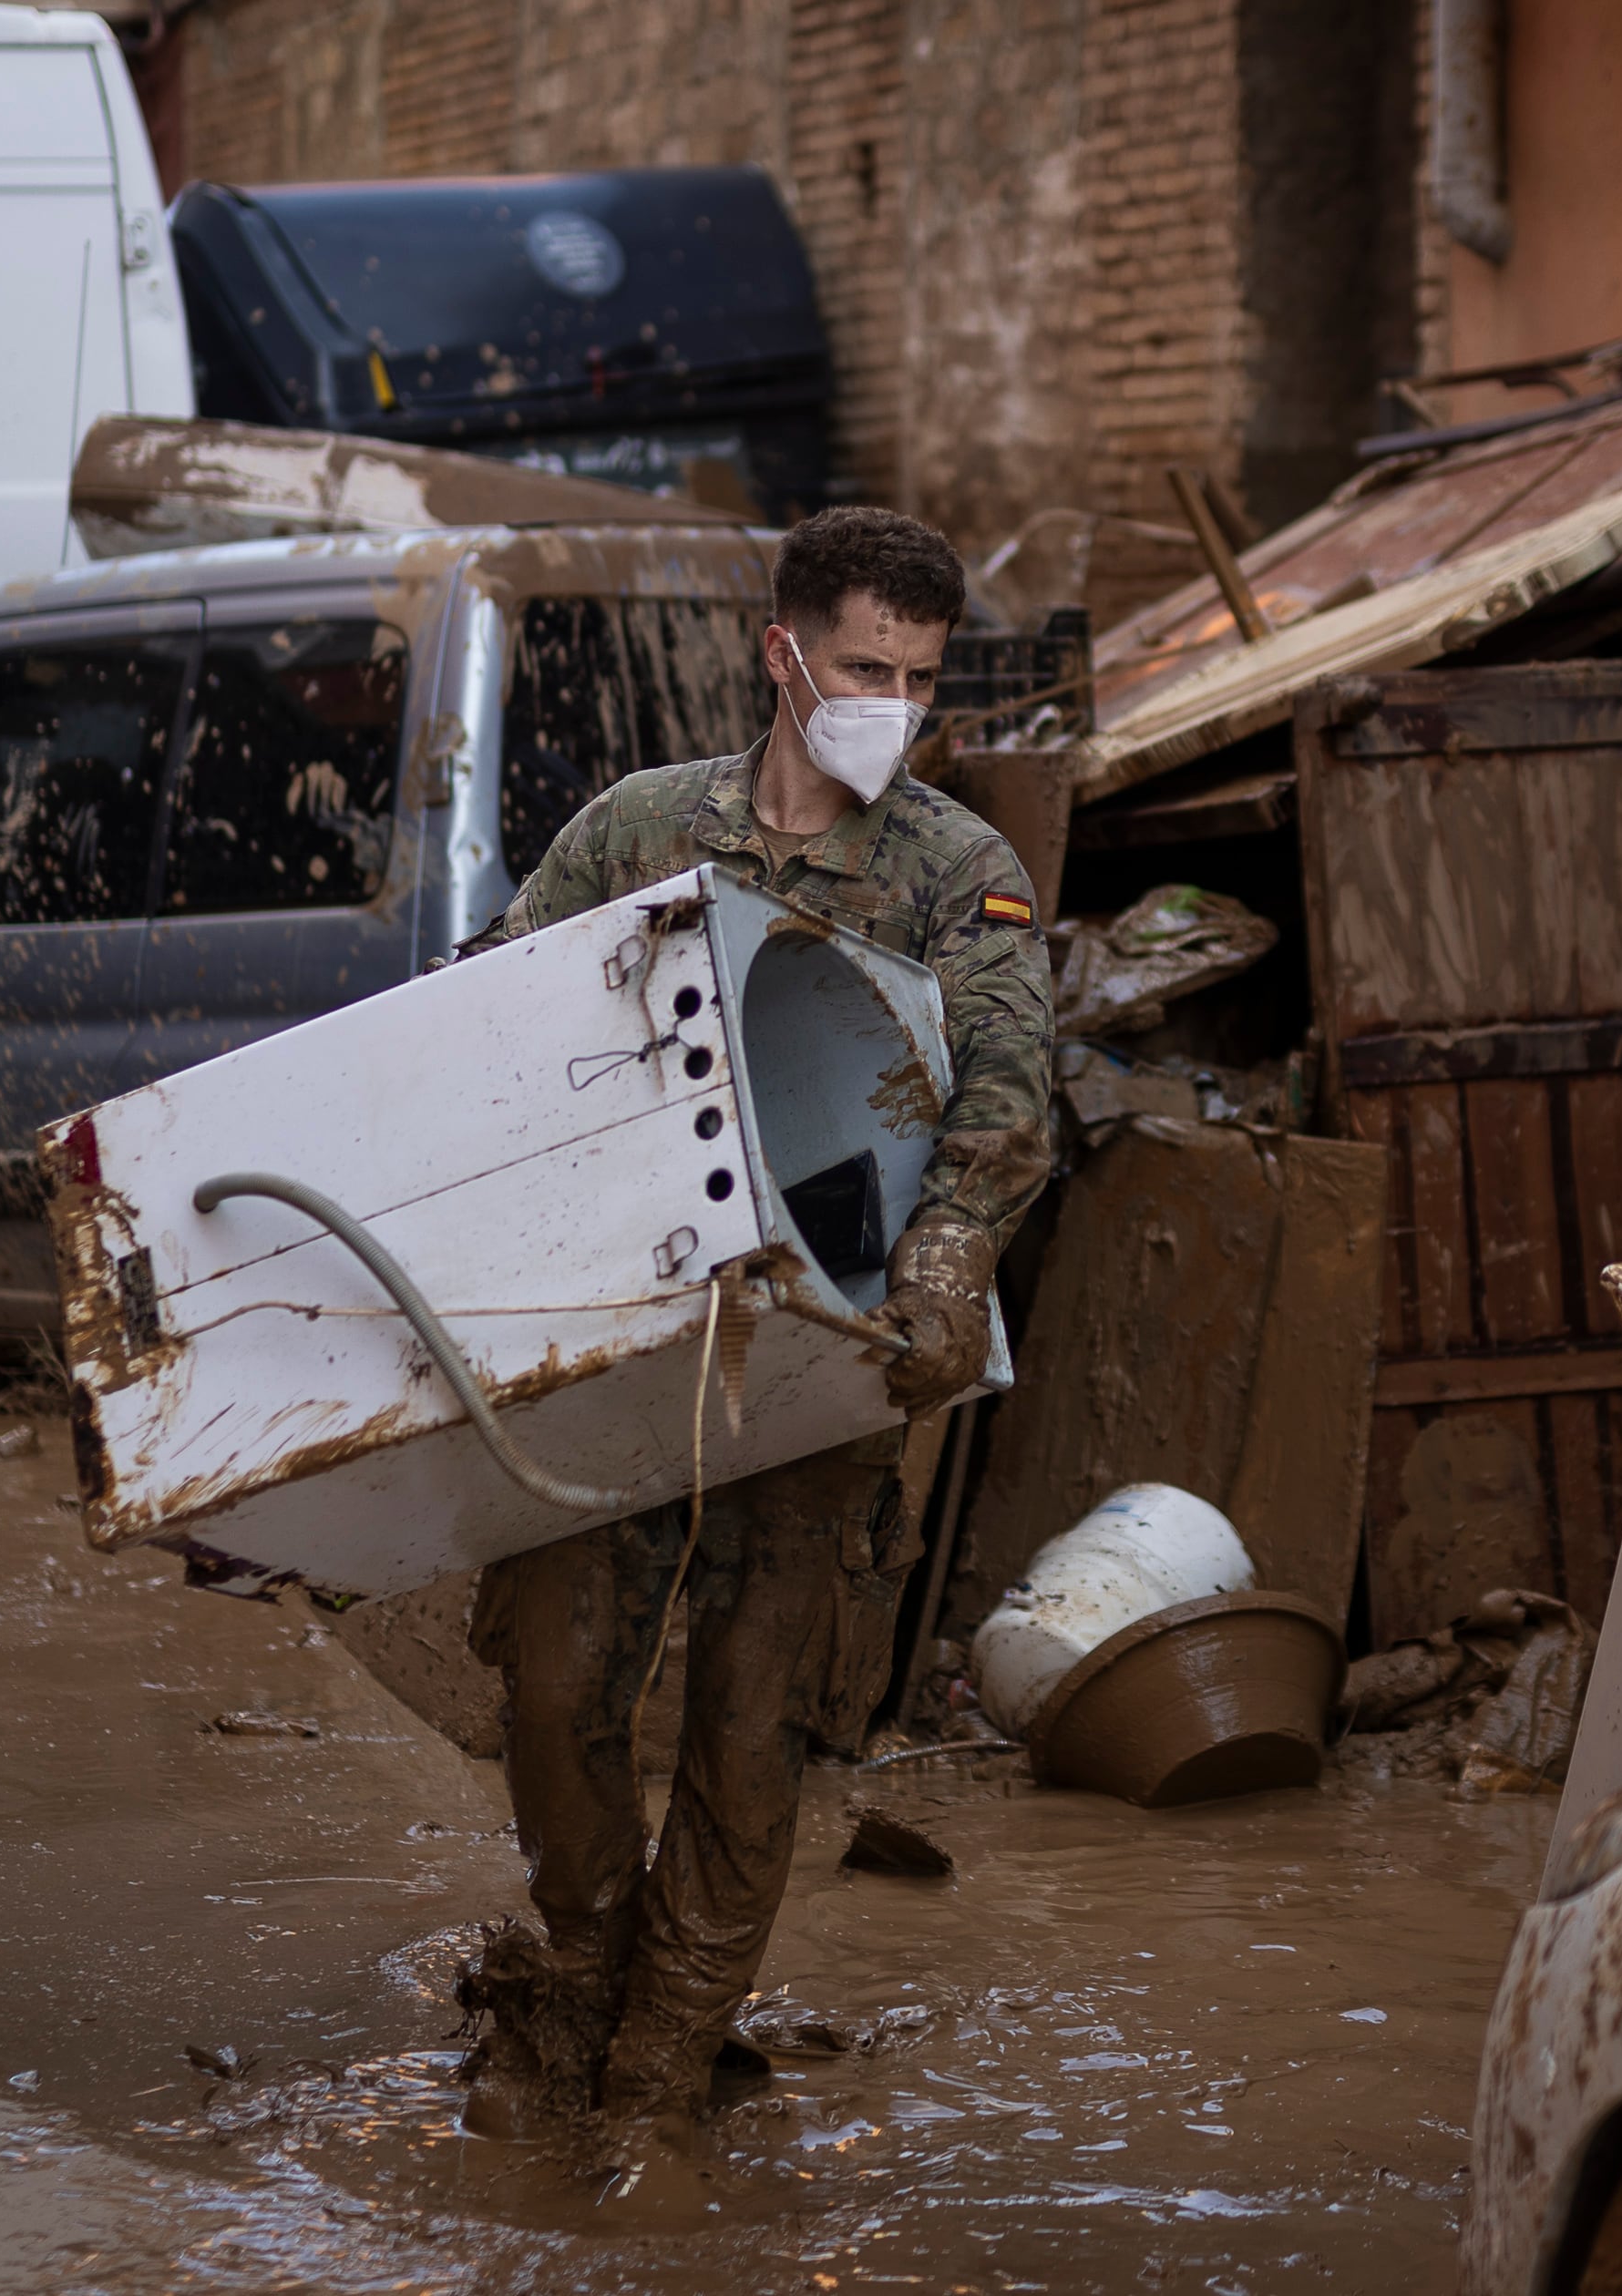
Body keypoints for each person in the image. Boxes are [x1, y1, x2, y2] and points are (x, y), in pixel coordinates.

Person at [456, 507, 1053, 2137]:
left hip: (827, 1353)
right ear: (780, 652)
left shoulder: (955, 870)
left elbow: (1004, 1101)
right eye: (868, 667)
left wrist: (940, 1275)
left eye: (922, 681)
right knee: (557, 1688)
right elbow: (491, 1024)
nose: (895, 704)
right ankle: (584, 1982)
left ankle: (658, 2078)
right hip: (627, 1342)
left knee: (755, 1721)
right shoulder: (637, 832)